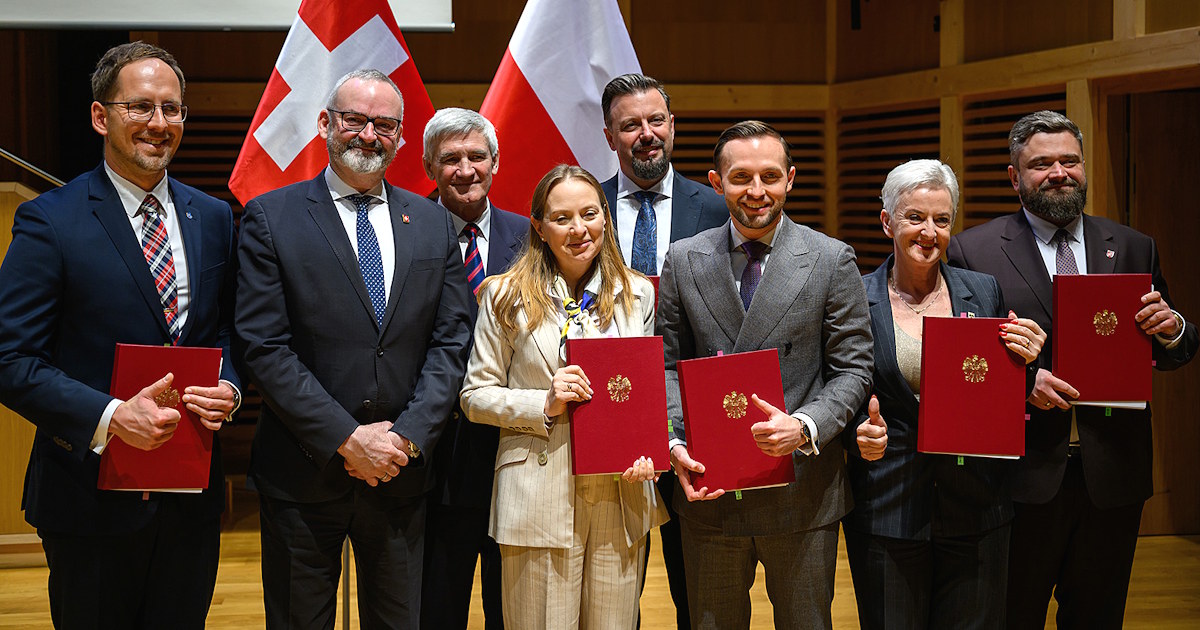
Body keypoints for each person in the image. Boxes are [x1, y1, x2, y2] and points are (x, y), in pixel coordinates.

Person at [0, 41, 241, 628]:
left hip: (191, 499)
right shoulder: (49, 219)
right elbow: (10, 358)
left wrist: (229, 386)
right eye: (140, 107)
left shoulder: (213, 216)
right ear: (100, 116)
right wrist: (110, 416)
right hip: (88, 497)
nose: (159, 124)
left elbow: (230, 333)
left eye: (172, 109)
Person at [235, 69, 474, 629]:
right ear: (325, 123)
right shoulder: (272, 218)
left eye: (385, 124)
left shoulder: (436, 225)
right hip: (303, 474)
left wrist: (407, 438)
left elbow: (451, 342)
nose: (368, 134)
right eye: (354, 120)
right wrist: (346, 439)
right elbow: (263, 347)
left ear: (400, 135)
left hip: (401, 475)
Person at [947, 110, 1197, 629]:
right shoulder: (973, 248)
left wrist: (1171, 327)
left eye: (1070, 161)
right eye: (1042, 164)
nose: (1059, 172)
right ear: (1015, 176)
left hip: (1113, 475)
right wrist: (1021, 382)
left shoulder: (1132, 245)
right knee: (1014, 615)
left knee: (1098, 618)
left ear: (1084, 168)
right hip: (1023, 475)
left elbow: (1176, 349)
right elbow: (959, 362)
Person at [659, 120, 873, 629]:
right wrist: (675, 441)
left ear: (791, 179)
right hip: (710, 493)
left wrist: (805, 426)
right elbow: (664, 364)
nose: (757, 192)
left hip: (801, 492)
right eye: (741, 178)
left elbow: (854, 366)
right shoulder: (684, 260)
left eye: (770, 176)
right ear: (716, 182)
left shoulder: (830, 258)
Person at [459, 164, 668, 629]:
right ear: (539, 226)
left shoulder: (637, 294)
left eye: (590, 214)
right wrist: (543, 403)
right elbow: (474, 395)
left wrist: (649, 450)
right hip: (537, 489)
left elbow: (646, 393)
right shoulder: (503, 295)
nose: (579, 230)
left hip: (622, 492)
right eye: (562, 218)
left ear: (606, 218)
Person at [843, 159, 1047, 630]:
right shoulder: (854, 296)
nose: (929, 232)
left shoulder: (983, 291)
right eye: (914, 217)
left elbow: (995, 390)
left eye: (941, 219)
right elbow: (838, 386)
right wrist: (858, 432)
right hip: (888, 509)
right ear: (887, 222)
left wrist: (1029, 358)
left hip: (978, 507)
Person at [600, 73, 727, 627]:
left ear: (673, 126)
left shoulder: (719, 209)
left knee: (697, 591)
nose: (646, 134)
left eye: (656, 121)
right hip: (608, 415)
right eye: (631, 125)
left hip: (696, 419)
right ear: (610, 135)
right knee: (609, 589)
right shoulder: (585, 209)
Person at [419, 107, 526, 630]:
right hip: (436, 450)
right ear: (429, 166)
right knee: (439, 599)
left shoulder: (533, 237)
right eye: (450, 159)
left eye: (476, 156)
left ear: (496, 163)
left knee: (511, 603)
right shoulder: (404, 231)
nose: (465, 169)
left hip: (516, 445)